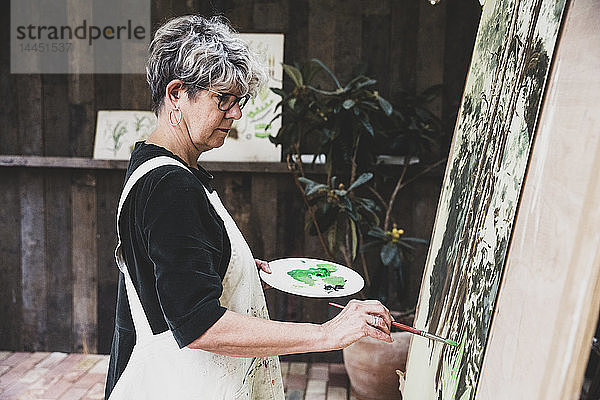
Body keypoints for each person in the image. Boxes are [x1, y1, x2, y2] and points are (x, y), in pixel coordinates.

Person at [105, 15, 394, 400]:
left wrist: (229, 262)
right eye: (221, 98)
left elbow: (163, 270)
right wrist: (328, 333)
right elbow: (199, 325)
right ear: (176, 94)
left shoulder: (155, 166)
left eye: (238, 101)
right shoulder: (169, 185)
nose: (236, 113)